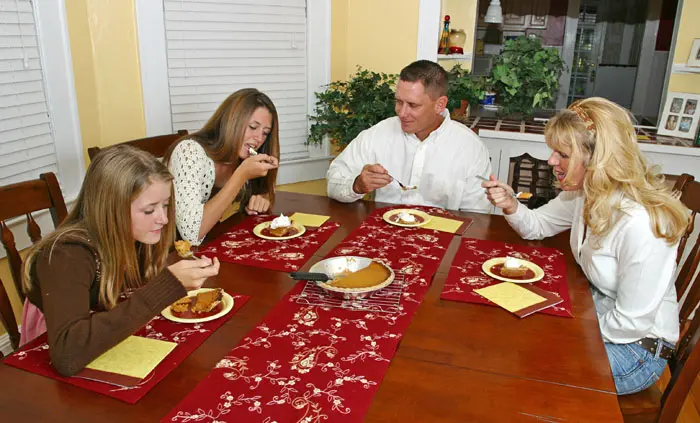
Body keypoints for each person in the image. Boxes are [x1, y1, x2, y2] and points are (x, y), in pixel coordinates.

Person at [482, 97, 689, 395]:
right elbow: (538, 226)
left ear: (598, 158)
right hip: (601, 316)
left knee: (524, 373)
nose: (551, 161)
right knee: (511, 336)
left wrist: (566, 331)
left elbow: (631, 324)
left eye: (562, 154)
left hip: (636, 349)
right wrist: (510, 203)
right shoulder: (585, 193)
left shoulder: (640, 223)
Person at [21, 145, 220, 376]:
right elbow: (68, 354)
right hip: (56, 357)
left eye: (165, 205)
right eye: (149, 210)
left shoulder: (135, 236)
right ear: (111, 209)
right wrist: (168, 285)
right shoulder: (66, 255)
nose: (164, 219)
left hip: (109, 332)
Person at [326, 60, 491, 212]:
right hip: (382, 234)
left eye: (413, 105)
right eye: (398, 102)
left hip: (443, 237)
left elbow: (477, 214)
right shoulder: (378, 134)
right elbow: (333, 181)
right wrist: (357, 185)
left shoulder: (470, 148)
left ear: (440, 104)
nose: (402, 113)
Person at [165, 88, 280, 245]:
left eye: (265, 133)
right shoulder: (189, 152)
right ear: (232, 121)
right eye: (253, 127)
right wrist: (241, 175)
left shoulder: (240, 156)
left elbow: (263, 192)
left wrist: (262, 198)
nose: (259, 138)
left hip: (215, 241)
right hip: (172, 251)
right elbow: (191, 234)